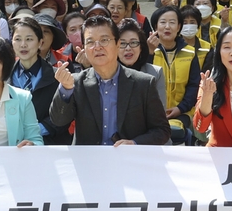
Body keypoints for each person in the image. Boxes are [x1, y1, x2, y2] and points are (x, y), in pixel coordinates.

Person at [49, 16, 170, 145]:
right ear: (84, 48)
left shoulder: (143, 83)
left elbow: (162, 130)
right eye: (90, 42)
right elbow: (58, 121)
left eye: (104, 40)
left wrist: (135, 143)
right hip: (88, 161)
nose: (97, 47)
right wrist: (65, 90)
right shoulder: (76, 82)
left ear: (117, 44)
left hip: (127, 160)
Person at [149, 6, 201, 143]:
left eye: (172, 22)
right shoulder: (147, 51)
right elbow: (140, 80)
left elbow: (194, 85)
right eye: (163, 22)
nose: (167, 27)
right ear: (155, 26)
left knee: (177, 132)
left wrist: (180, 109)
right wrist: (148, 53)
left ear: (179, 27)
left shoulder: (190, 53)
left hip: (182, 112)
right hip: (151, 114)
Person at [7, 16, 62, 144]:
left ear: (40, 43)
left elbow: (61, 116)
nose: (23, 45)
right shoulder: (3, 76)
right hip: (9, 145)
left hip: (47, 146)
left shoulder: (57, 77)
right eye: (18, 39)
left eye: (29, 39)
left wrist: (33, 133)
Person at [117, 18, 167, 109]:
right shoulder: (107, 74)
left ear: (141, 47)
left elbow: (159, 113)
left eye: (133, 42)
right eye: (122, 43)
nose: (128, 48)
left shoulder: (155, 73)